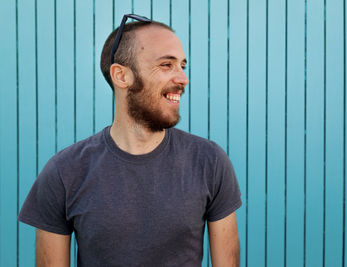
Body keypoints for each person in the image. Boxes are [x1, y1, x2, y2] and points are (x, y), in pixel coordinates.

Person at [18, 15, 242, 267]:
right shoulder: (64, 172)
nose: (182, 79)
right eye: (166, 65)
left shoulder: (210, 161)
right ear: (121, 76)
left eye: (182, 65)